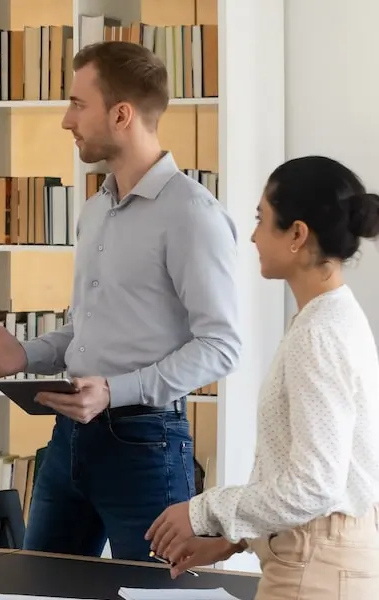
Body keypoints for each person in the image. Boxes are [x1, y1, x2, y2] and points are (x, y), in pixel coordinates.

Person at [0, 40, 241, 562]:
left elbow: (220, 346)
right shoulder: (94, 210)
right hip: (68, 444)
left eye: (78, 104)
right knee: (41, 590)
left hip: (146, 446)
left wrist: (115, 390)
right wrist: (26, 355)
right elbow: (86, 328)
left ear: (122, 113)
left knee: (154, 597)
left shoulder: (193, 215)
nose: (66, 120)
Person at [147, 156, 379, 597]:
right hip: (319, 563)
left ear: (297, 234)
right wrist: (233, 539)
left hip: (316, 575)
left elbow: (315, 487)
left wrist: (203, 511)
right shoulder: (330, 318)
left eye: (261, 219)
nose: (252, 236)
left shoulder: (320, 333)